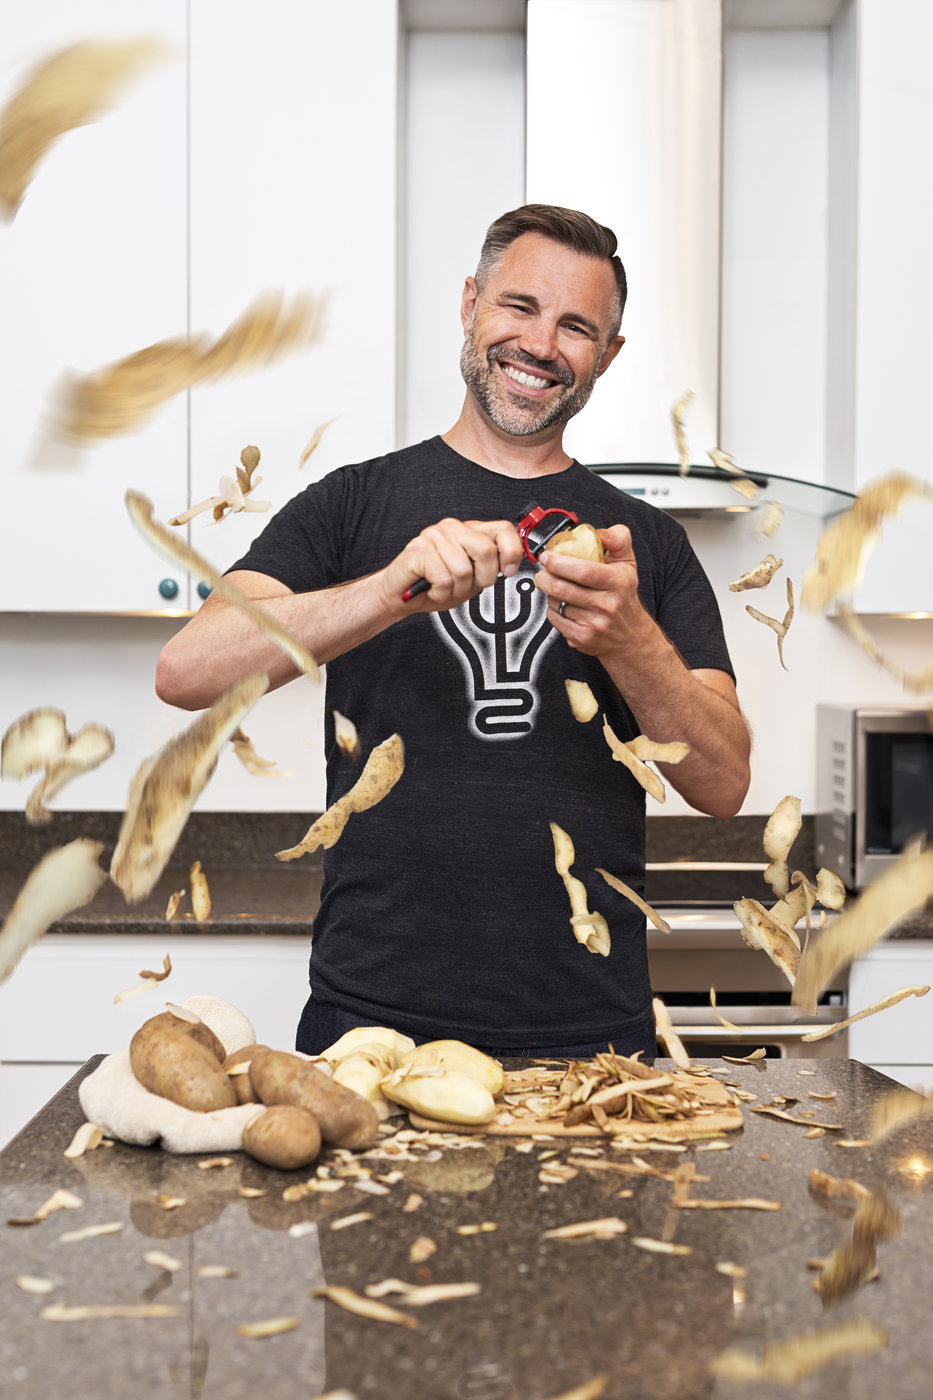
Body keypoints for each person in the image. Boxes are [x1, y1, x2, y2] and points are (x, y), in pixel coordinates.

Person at [156, 204, 751, 1060]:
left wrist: (628, 640)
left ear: (606, 357)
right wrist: (389, 591)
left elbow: (723, 783)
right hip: (369, 1027)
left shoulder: (645, 546)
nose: (541, 344)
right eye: (518, 306)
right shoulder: (353, 503)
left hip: (590, 1041)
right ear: (470, 303)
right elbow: (188, 670)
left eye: (576, 327)